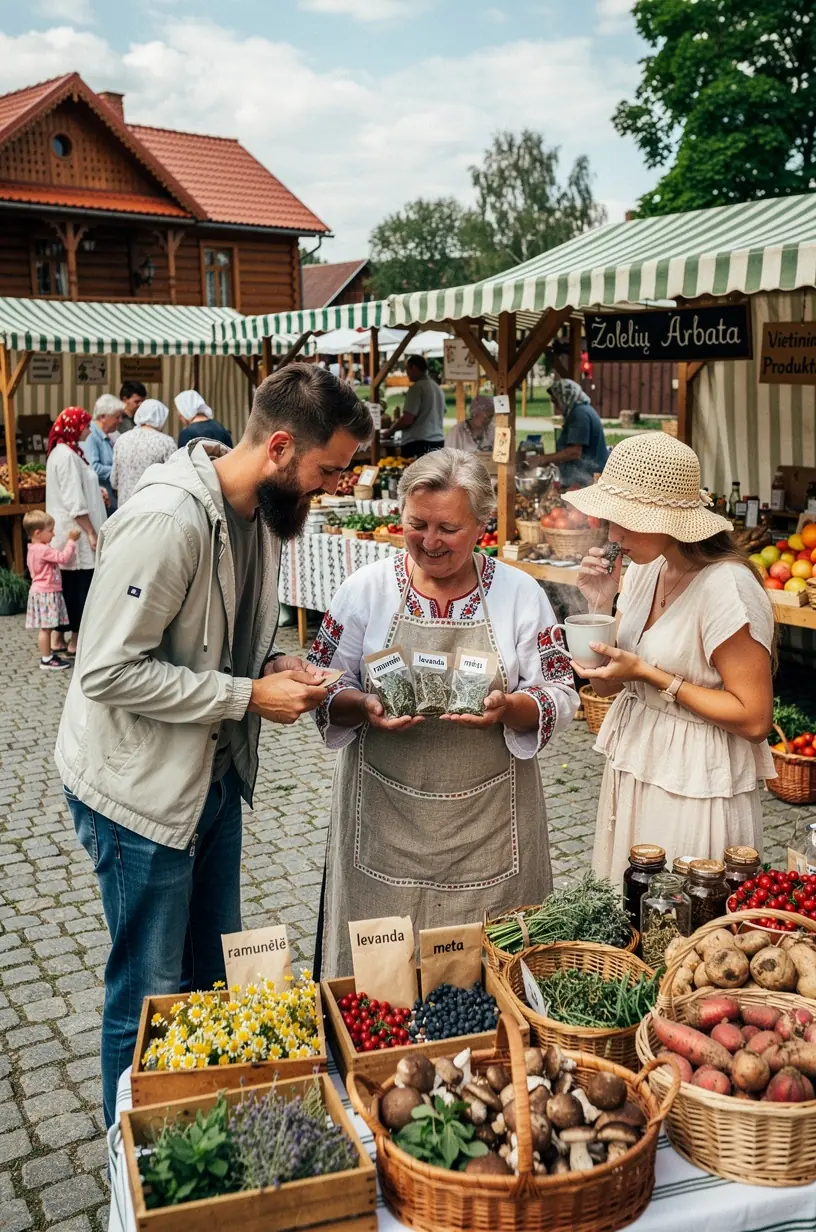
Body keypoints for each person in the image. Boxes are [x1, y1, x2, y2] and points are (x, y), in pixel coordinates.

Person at [55, 363, 373, 1128]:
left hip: (210, 783)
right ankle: (127, 1162)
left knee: (209, 982)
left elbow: (217, 647)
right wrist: (245, 695)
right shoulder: (169, 519)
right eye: (330, 470)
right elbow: (106, 670)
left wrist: (271, 665)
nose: (336, 487)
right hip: (140, 797)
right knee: (148, 995)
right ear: (280, 448)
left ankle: (198, 1139)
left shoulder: (260, 516)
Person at [308, 448, 579, 979]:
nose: (430, 542)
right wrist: (361, 703)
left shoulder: (521, 595)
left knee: (487, 989)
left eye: (448, 529)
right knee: (380, 988)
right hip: (383, 825)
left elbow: (562, 692)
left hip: (490, 829)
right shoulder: (364, 591)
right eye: (417, 525)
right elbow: (321, 684)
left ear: (483, 525)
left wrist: (510, 708)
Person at [567, 432, 775, 887]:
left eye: (628, 522)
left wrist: (650, 674)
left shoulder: (728, 588)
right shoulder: (646, 570)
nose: (613, 533)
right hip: (639, 758)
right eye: (612, 519)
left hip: (696, 779)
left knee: (679, 919)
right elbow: (604, 685)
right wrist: (601, 606)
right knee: (632, 906)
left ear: (672, 521)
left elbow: (756, 718)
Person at [45, 408, 108, 653]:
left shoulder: (67, 452)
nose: (89, 429)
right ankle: (76, 641)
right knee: (79, 587)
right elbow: (74, 501)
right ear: (73, 426)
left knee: (69, 586)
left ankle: (59, 639)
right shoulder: (67, 456)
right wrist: (91, 531)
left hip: (68, 532)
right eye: (85, 425)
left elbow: (78, 488)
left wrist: (97, 492)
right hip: (76, 534)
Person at [521, 378, 608, 487]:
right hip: (587, 475)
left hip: (587, 478)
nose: (556, 405)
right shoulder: (582, 410)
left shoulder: (579, 414)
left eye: (555, 401)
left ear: (564, 396)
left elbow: (574, 452)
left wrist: (542, 459)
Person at [23, 510, 81, 671]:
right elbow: (62, 558)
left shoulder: (33, 548)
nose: (54, 534)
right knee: (46, 628)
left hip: (41, 591)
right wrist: (71, 541)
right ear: (38, 533)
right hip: (46, 592)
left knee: (46, 628)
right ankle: (46, 659)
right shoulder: (43, 550)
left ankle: (47, 654)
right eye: (50, 531)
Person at [111, 398, 176, 506]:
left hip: (125, 509)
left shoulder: (121, 440)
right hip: (153, 508)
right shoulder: (166, 443)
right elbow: (173, 480)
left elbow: (114, 481)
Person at [382, 355, 445, 457]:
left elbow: (408, 419)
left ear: (413, 367)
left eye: (407, 369)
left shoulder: (416, 388)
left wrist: (390, 431)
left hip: (418, 443)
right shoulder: (437, 388)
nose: (407, 374)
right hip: (438, 441)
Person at [82, 394, 123, 510]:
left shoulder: (107, 436)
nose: (120, 421)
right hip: (100, 499)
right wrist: (118, 471)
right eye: (117, 417)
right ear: (103, 416)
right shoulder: (91, 436)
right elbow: (93, 467)